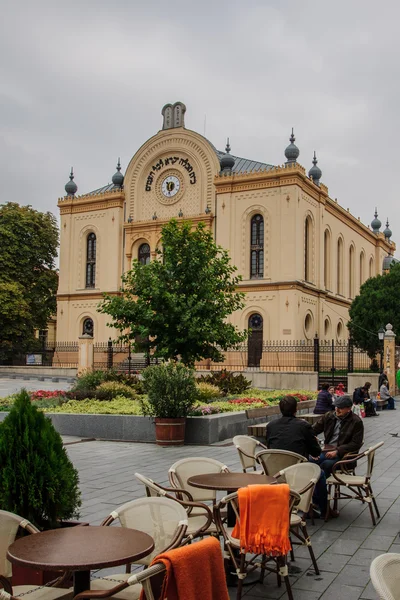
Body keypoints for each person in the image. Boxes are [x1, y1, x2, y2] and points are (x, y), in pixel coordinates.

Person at [266, 396, 329, 517]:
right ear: (296, 409)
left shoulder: (271, 426)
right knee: (320, 474)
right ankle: (324, 510)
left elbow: (270, 447)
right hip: (297, 470)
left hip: (275, 472)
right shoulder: (303, 426)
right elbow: (316, 452)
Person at [312, 395, 364, 477]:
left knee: (325, 465)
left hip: (344, 456)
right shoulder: (329, 416)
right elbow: (314, 430)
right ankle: (313, 487)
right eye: (336, 406)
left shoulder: (356, 421)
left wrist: (337, 451)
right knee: (310, 460)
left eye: (341, 408)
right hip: (326, 450)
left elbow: (356, 443)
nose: (337, 409)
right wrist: (311, 438)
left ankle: (320, 488)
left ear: (348, 409)